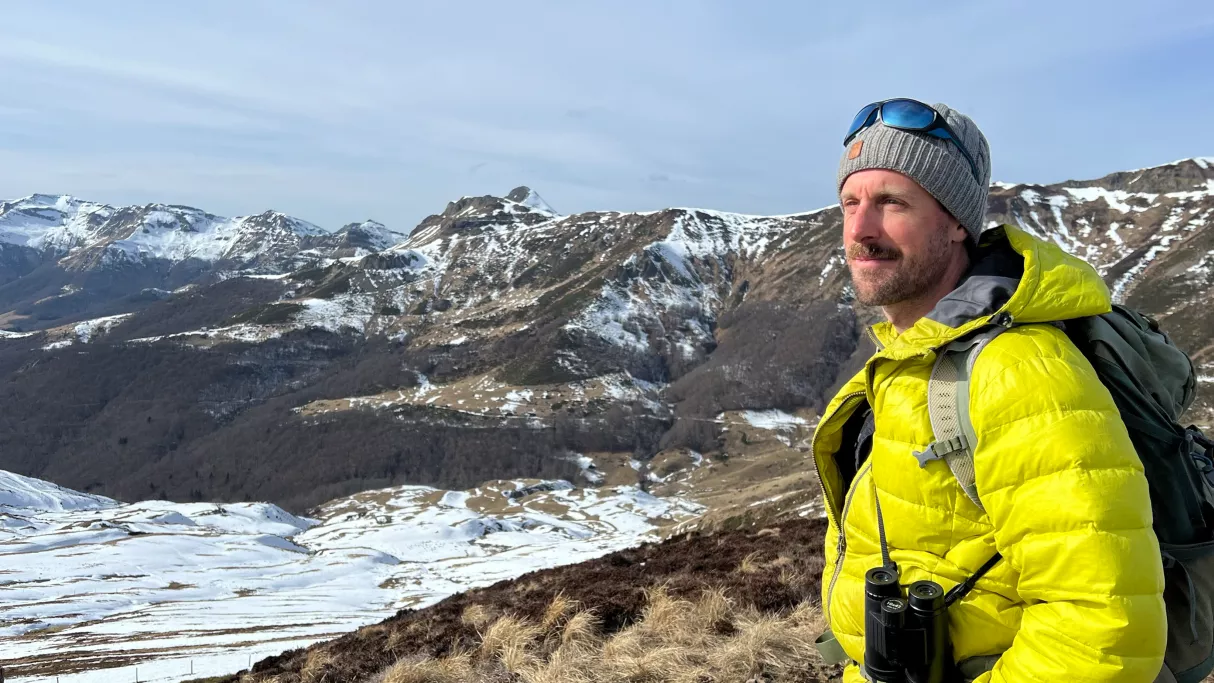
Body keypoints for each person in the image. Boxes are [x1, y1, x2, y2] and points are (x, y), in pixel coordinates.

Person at [813, 99, 1166, 682]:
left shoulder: (1018, 371)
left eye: (891, 202)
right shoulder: (913, 359)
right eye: (850, 202)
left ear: (956, 222)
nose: (859, 230)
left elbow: (1103, 634)